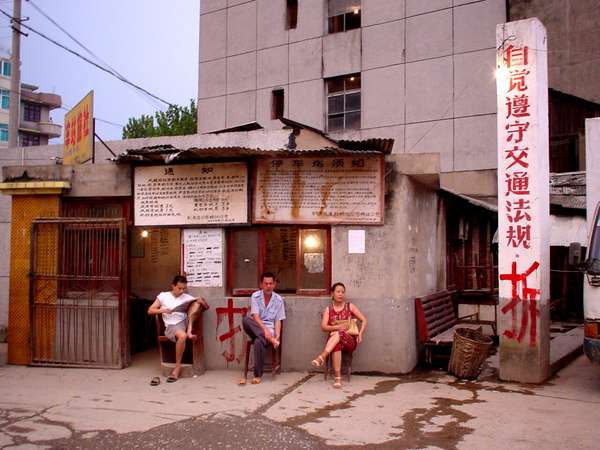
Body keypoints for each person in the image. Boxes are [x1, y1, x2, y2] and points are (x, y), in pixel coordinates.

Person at [148, 275, 209, 382]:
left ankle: (189, 332)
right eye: (179, 288)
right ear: (173, 286)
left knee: (195, 305)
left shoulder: (186, 297)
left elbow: (206, 307)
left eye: (184, 288)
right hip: (171, 325)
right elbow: (150, 310)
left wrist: (200, 301)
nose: (182, 291)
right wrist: (164, 310)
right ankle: (177, 367)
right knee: (182, 336)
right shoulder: (163, 296)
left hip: (184, 323)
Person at [311, 282, 367, 388]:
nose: (341, 294)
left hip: (350, 341)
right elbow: (323, 327)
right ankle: (338, 378)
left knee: (340, 334)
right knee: (337, 344)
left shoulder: (350, 306)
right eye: (338, 291)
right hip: (336, 341)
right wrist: (337, 328)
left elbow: (364, 320)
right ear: (332, 294)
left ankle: (322, 356)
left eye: (342, 292)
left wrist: (361, 333)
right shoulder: (329, 310)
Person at [239, 272, 286, 385]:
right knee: (246, 319)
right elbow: (255, 317)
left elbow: (278, 320)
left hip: (269, 331)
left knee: (259, 341)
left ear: (274, 284)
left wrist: (277, 336)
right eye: (266, 283)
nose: (268, 286)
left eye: (271, 283)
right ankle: (268, 339)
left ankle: (257, 375)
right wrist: (266, 332)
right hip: (256, 326)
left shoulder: (279, 300)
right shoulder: (255, 296)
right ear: (261, 284)